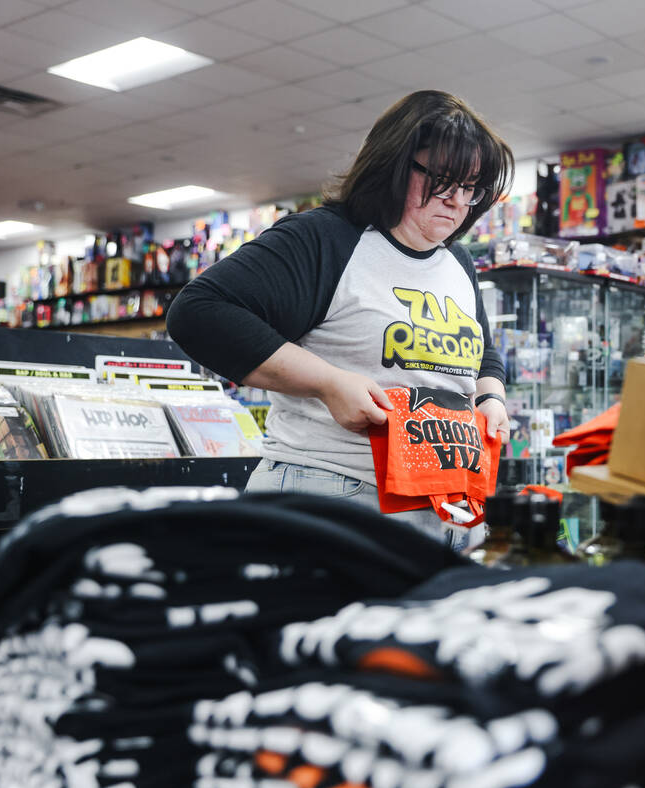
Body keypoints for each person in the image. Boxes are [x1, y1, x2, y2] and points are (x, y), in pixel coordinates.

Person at [167, 90, 513, 546]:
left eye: (471, 189)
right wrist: (328, 383)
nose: (457, 202)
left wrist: (492, 398)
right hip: (334, 497)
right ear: (395, 164)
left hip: (445, 504)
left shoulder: (457, 262)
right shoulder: (330, 238)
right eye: (443, 181)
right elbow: (200, 312)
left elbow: (479, 352)